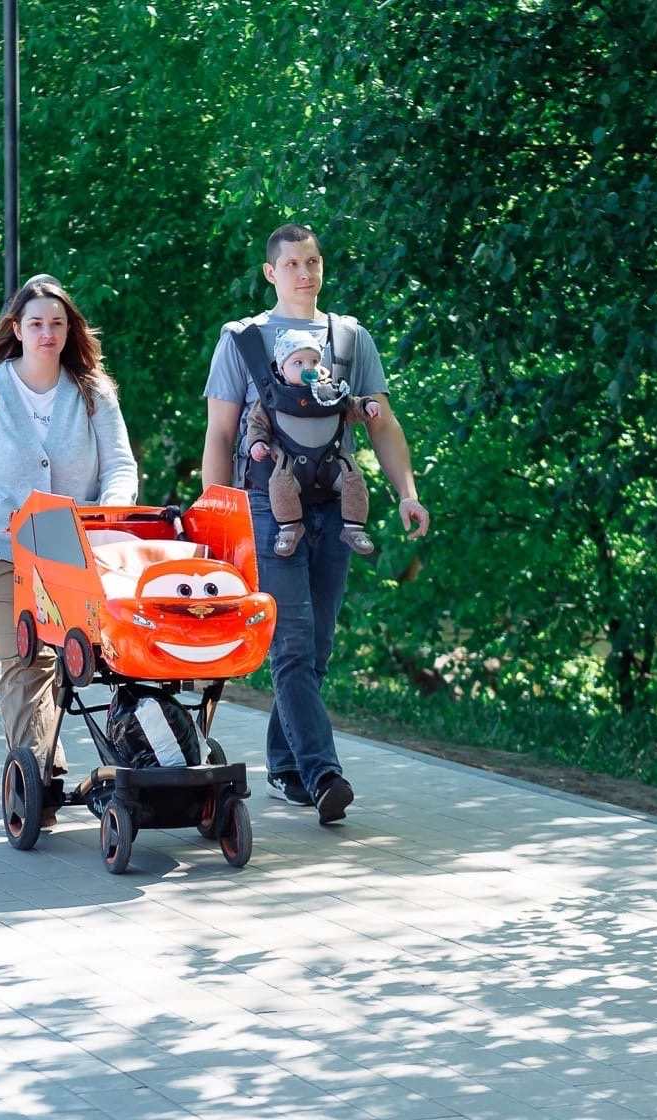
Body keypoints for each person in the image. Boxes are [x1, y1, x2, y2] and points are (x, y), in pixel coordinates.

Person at [202, 223, 430, 824]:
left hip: (335, 507)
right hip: (268, 508)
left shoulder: (350, 339)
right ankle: (323, 773)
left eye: (313, 261)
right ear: (270, 272)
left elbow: (382, 424)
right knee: (293, 644)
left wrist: (407, 494)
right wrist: (212, 521)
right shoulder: (242, 340)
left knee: (318, 647)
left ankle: (284, 769)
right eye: (292, 263)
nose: (305, 273)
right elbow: (220, 436)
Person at [0, 275, 139, 779]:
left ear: (69, 330)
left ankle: (45, 762)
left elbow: (119, 465)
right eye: (36, 323)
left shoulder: (93, 391)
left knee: (75, 658)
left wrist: (109, 513)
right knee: (27, 659)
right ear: (17, 329)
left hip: (70, 549)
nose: (47, 333)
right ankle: (37, 777)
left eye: (56, 324)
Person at [245, 327, 382, 557]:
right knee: (279, 485)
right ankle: (289, 528)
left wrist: (366, 405)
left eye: (314, 361)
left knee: (353, 480)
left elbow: (351, 406)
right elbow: (257, 423)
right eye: (298, 363)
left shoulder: (332, 392)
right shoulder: (273, 395)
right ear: (281, 368)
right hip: (294, 464)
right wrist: (257, 443)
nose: (308, 368)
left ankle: (354, 528)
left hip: (330, 462)